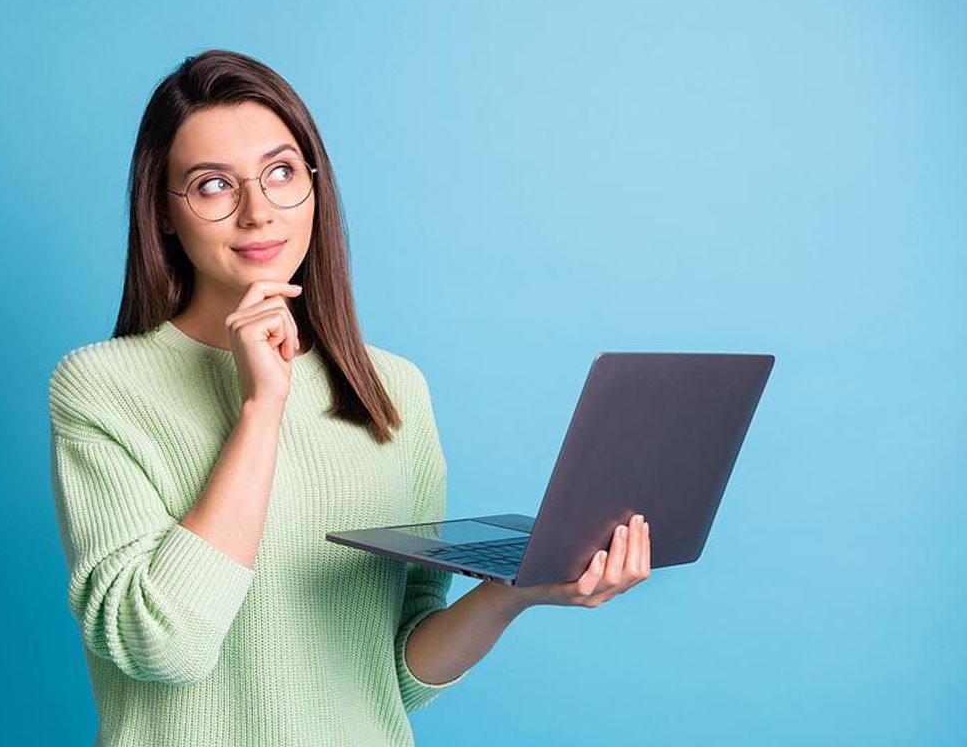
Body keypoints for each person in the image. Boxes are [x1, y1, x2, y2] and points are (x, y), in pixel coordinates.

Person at [47, 48, 652, 747]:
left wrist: (512, 593)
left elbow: (394, 677)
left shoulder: (392, 389)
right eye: (213, 186)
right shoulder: (101, 388)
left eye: (281, 173)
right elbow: (166, 645)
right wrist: (260, 409)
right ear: (162, 211)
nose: (258, 212)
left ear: (315, 184)